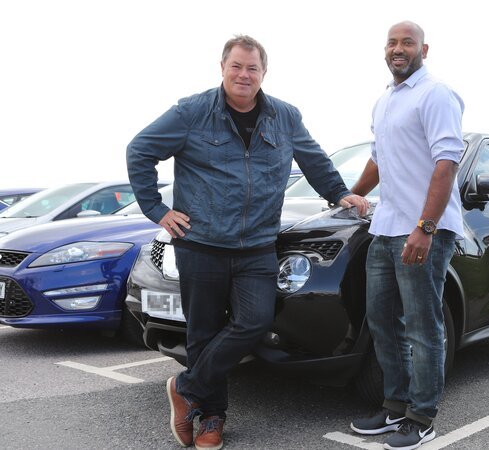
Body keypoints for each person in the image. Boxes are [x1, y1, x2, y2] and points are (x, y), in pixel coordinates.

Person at [126, 35, 368, 450]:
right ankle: (210, 419)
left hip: (257, 245)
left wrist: (339, 193)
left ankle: (185, 387)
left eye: (252, 68)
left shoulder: (285, 117)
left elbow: (313, 159)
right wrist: (157, 209)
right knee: (202, 332)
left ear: (263, 73)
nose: (244, 75)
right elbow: (140, 150)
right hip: (200, 243)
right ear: (222, 68)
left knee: (255, 320)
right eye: (236, 66)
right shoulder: (191, 111)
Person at [348, 21, 465, 450]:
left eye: (408, 43)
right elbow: (379, 160)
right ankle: (395, 406)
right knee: (382, 320)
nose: (399, 49)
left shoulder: (435, 94)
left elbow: (446, 162)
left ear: (424, 49)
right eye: (393, 43)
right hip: (386, 227)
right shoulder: (385, 101)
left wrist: (426, 227)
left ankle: (422, 416)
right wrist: (350, 193)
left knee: (422, 324)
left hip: (422, 231)